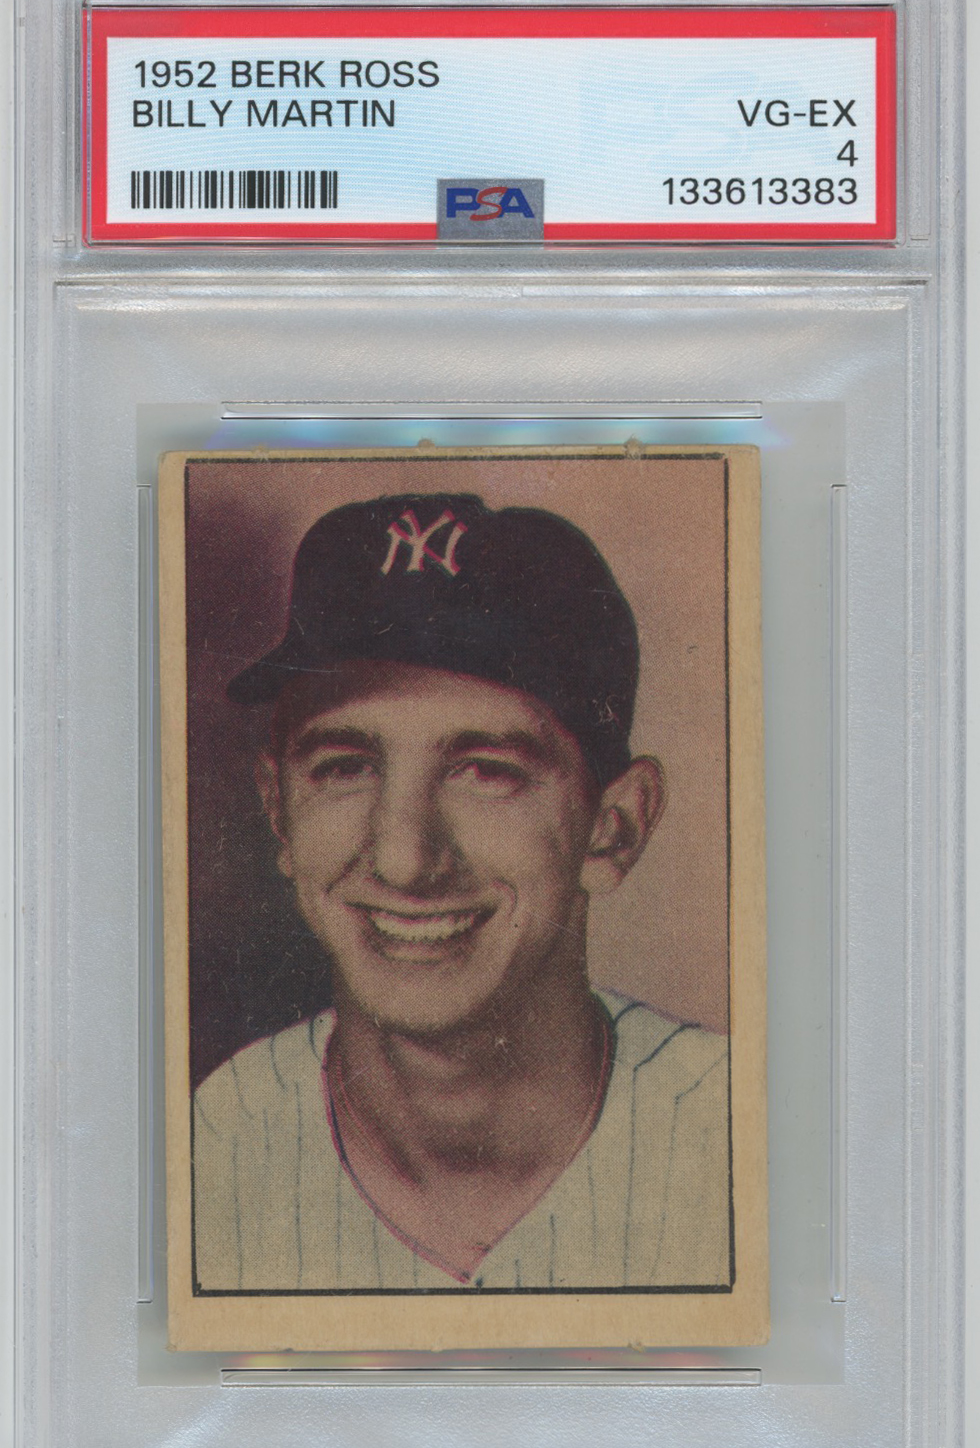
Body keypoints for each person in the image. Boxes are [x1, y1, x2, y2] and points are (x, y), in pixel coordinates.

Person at [192, 492, 731, 1293]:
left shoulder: (748, 1140)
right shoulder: (211, 1144)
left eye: (486, 771)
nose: (405, 860)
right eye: (344, 767)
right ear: (279, 811)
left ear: (614, 827)